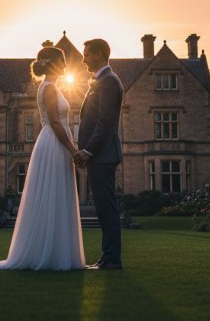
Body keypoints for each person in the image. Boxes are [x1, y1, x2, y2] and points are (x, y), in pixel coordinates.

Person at [0, 47, 85, 270]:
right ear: (53, 64)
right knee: (54, 193)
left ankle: (57, 254)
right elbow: (55, 123)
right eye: (62, 61)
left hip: (54, 143)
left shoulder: (52, 87)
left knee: (57, 194)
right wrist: (73, 150)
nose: (66, 65)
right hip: (54, 144)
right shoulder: (49, 88)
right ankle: (50, 255)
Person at [73, 38, 124, 270]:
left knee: (106, 207)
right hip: (99, 156)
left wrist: (87, 150)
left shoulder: (109, 82)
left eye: (87, 54)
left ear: (100, 54)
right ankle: (107, 257)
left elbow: (104, 122)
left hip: (102, 156)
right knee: (104, 208)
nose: (83, 59)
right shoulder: (102, 81)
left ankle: (112, 259)